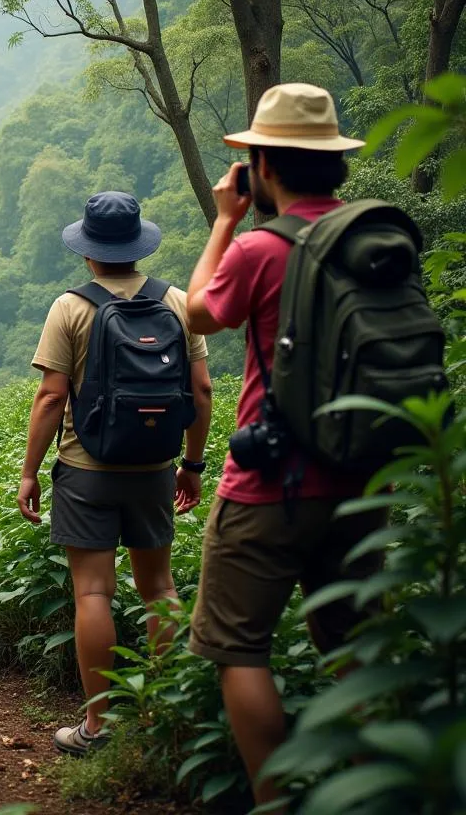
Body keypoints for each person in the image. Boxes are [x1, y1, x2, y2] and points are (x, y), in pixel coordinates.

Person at [185, 83, 383, 806]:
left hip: (272, 484)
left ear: (262, 164)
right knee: (358, 650)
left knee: (237, 647)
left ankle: (276, 799)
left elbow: (200, 315)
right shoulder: (373, 240)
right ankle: (375, 792)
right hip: (364, 475)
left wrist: (223, 221)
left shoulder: (261, 249)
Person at [18, 191, 214, 756]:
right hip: (156, 468)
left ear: (88, 252)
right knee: (160, 589)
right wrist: (193, 464)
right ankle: (169, 721)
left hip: (87, 471)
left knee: (94, 592)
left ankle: (97, 729)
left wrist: (30, 472)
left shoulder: (71, 307)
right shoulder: (177, 301)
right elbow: (200, 390)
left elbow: (52, 398)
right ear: (137, 246)